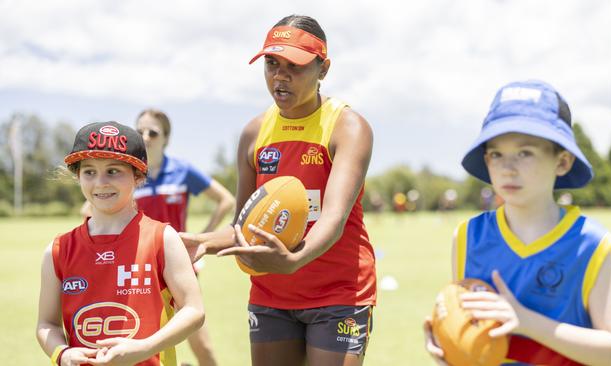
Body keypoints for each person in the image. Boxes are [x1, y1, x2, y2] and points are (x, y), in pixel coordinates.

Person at [181, 14, 376, 366]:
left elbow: (333, 217)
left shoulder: (347, 127)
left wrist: (294, 260)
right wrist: (204, 242)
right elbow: (245, 224)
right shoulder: (254, 133)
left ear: (324, 69)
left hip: (339, 294)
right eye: (272, 63)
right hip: (271, 294)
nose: (280, 76)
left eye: (294, 66)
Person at [423, 80, 611, 365]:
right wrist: (449, 342)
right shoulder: (469, 236)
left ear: (563, 162)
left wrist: (525, 321)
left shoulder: (590, 243)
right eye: (497, 154)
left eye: (525, 153)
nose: (508, 168)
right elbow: (473, 334)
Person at [36, 121, 204, 366]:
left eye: (113, 171)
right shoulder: (58, 250)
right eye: (89, 172)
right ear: (78, 176)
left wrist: (143, 348)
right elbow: (47, 323)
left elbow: (194, 311)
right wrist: (62, 353)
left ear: (137, 176)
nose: (101, 182)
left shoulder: (163, 239)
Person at [82, 109, 234, 366]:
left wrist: (200, 238)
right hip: (135, 271)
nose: (146, 136)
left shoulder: (181, 170)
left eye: (153, 132)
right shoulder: (126, 174)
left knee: (202, 346)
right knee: (140, 346)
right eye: (140, 131)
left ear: (166, 138)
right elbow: (88, 211)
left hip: (177, 266)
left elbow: (226, 200)